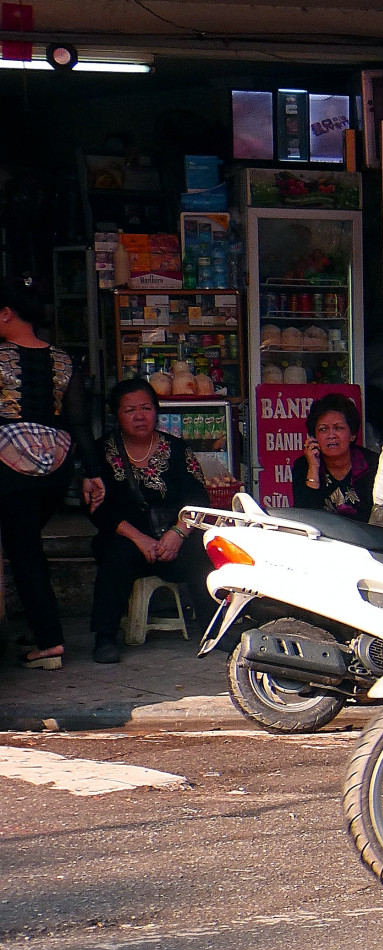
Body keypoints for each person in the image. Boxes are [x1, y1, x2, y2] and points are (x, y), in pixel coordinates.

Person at [0, 275, 99, 669]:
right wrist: (92, 473)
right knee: (28, 545)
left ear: (6, 313)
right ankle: (45, 631)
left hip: (9, 466)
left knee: (23, 551)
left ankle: (49, 641)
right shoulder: (63, 360)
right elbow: (79, 422)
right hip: (54, 468)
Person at [88, 379, 213, 665]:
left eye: (146, 408)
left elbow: (199, 498)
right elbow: (97, 509)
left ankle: (213, 627)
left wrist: (179, 533)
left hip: (172, 539)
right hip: (127, 538)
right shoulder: (101, 453)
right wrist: (138, 538)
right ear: (116, 415)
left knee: (201, 548)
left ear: (156, 411)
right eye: (129, 410)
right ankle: (105, 637)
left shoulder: (178, 449)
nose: (139, 416)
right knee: (116, 555)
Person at [292, 393, 377, 523]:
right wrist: (313, 468)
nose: (331, 435)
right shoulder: (303, 466)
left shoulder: (372, 464)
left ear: (352, 434)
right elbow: (305, 516)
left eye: (338, 428)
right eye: (323, 429)